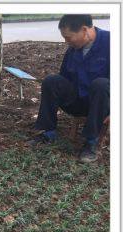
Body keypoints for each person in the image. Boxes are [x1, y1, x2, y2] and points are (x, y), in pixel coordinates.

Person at [31, 14, 109, 163]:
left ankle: (90, 142)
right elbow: (64, 78)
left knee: (101, 84)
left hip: (102, 105)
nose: (66, 41)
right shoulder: (73, 49)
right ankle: (48, 133)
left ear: (84, 30)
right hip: (78, 101)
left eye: (68, 37)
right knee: (52, 81)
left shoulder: (112, 42)